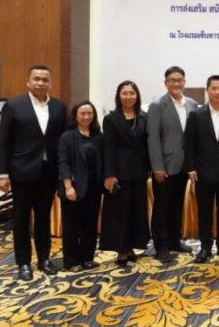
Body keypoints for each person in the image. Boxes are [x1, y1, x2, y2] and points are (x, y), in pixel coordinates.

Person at [0, 65, 68, 281]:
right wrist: (2, 174)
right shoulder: (13, 106)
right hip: (22, 171)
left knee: (43, 218)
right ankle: (23, 263)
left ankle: (44, 259)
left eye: (45, 79)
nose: (40, 83)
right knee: (20, 219)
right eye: (36, 79)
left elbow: (62, 142)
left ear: (50, 83)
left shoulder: (59, 107)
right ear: (28, 82)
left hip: (48, 172)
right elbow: (4, 142)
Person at [184, 75, 219, 263]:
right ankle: (205, 248)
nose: (217, 92)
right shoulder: (196, 115)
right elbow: (189, 144)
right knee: (204, 212)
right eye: (214, 88)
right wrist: (191, 167)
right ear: (207, 90)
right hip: (203, 172)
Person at [147, 66, 199, 263]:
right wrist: (157, 167)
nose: (176, 83)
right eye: (172, 80)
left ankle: (174, 240)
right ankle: (161, 246)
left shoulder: (192, 103)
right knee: (162, 206)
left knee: (177, 205)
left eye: (180, 80)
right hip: (165, 165)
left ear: (184, 82)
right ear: (166, 82)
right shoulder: (157, 105)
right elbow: (153, 138)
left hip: (185, 165)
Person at [99, 81, 151, 266]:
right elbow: (108, 148)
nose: (128, 96)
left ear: (137, 96)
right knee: (119, 212)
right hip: (119, 173)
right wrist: (109, 174)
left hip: (139, 172)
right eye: (124, 93)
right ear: (118, 96)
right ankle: (121, 249)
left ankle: (132, 246)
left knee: (136, 211)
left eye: (132, 93)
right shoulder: (111, 119)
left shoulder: (144, 117)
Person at [58, 101, 103, 272]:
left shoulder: (98, 135)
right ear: (75, 116)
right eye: (82, 113)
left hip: (93, 187)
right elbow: (63, 162)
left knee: (90, 225)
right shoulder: (67, 137)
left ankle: (87, 258)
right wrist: (68, 186)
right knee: (72, 226)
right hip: (74, 187)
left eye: (90, 113)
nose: (86, 116)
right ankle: (71, 261)